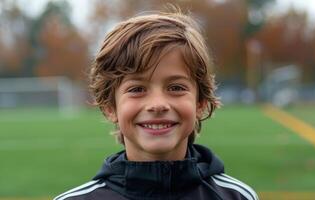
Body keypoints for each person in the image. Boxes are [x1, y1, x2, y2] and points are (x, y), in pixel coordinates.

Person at [54, 10, 259, 200]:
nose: (158, 104)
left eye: (176, 87)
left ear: (200, 102)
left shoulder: (237, 196)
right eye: (137, 89)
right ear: (110, 107)